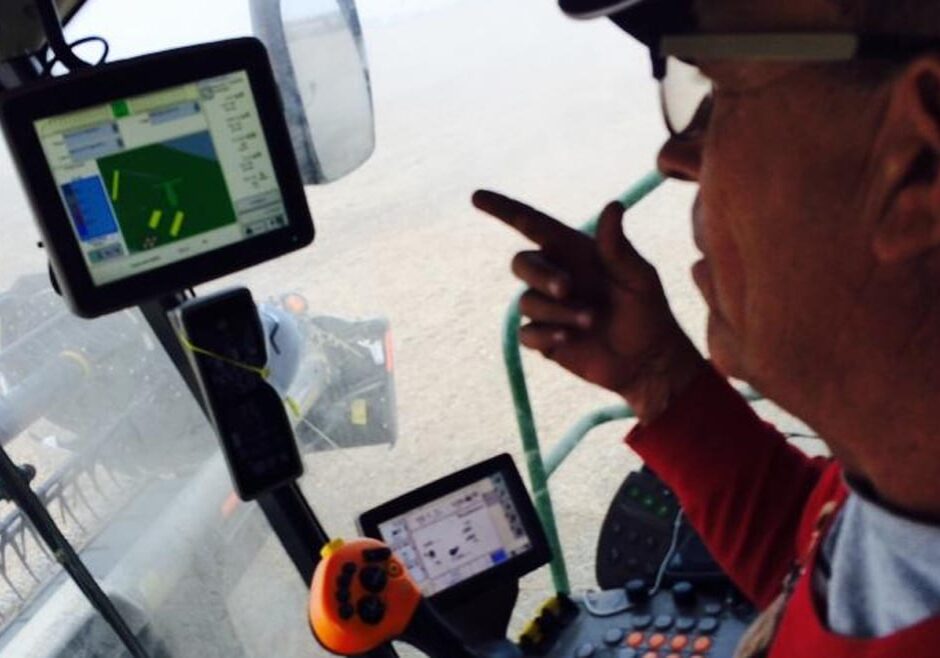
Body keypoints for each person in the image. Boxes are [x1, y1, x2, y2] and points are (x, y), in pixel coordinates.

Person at [473, 0, 940, 656]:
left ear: (919, 164)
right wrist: (659, 378)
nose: (674, 155)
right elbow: (832, 557)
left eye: (719, 90)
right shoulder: (907, 483)